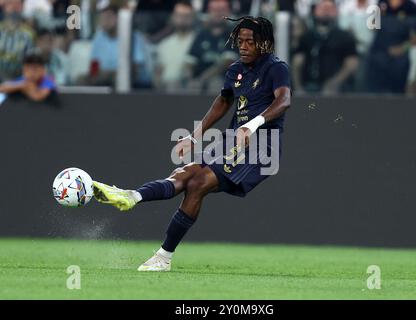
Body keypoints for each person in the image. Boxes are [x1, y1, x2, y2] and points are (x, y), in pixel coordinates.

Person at [92, 16, 291, 272]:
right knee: (184, 174)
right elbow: (223, 101)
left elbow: (284, 101)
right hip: (233, 142)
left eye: (249, 42)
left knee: (198, 183)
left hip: (262, 147)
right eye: (239, 41)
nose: (243, 46)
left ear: (263, 43)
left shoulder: (276, 68)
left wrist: (251, 125)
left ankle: (163, 257)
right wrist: (194, 135)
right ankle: (132, 196)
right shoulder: (236, 70)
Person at [292, 0, 359, 95]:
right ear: (315, 11)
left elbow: (352, 64)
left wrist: (335, 82)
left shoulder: (345, 37)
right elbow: (297, 62)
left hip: (338, 92)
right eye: (322, 8)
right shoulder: (307, 37)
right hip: (309, 88)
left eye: (330, 9)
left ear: (336, 12)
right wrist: (298, 88)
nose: (326, 12)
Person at [366, 0, 416, 94]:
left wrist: (403, 48)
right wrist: (377, 16)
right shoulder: (381, 3)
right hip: (379, 54)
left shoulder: (411, 7)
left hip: (400, 57)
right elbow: (372, 27)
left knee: (397, 91)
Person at [83, 4, 150, 87]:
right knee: (81, 79)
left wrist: (110, 74)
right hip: (104, 82)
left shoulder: (134, 37)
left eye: (108, 17)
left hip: (136, 85)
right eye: (102, 18)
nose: (104, 21)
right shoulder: (99, 38)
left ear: (119, 19)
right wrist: (95, 76)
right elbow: (94, 68)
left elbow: (135, 70)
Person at [185, 0, 239, 93]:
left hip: (224, 79)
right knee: (178, 84)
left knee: (215, 83)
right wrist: (189, 79)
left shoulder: (234, 34)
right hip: (199, 79)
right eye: (214, 10)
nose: (218, 13)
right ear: (208, 12)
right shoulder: (201, 34)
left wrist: (202, 79)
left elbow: (227, 62)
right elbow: (190, 61)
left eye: (222, 10)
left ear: (229, 12)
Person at [154, 0, 196, 91]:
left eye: (187, 16)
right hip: (165, 93)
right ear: (173, 17)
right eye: (179, 15)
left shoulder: (198, 41)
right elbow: (158, 73)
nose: (183, 19)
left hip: (189, 92)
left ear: (193, 18)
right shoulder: (164, 44)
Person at [0, 0, 35, 82]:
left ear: (22, 7)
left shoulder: (29, 34)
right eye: (10, 3)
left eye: (18, 4)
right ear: (4, 7)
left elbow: (30, 63)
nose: (14, 7)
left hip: (20, 82)